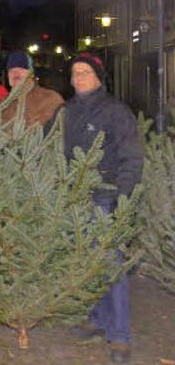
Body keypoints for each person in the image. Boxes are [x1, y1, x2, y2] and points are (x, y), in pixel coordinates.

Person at [64, 53, 143, 364]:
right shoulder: (67, 111)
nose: (78, 78)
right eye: (74, 73)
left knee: (112, 265)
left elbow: (132, 157)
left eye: (84, 72)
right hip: (76, 196)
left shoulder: (115, 111)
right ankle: (97, 319)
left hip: (106, 196)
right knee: (88, 263)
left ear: (98, 76)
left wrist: (123, 197)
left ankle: (120, 336)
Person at [0, 50, 64, 127]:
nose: (16, 73)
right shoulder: (3, 104)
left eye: (21, 69)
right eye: (11, 70)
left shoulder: (50, 99)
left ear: (31, 74)